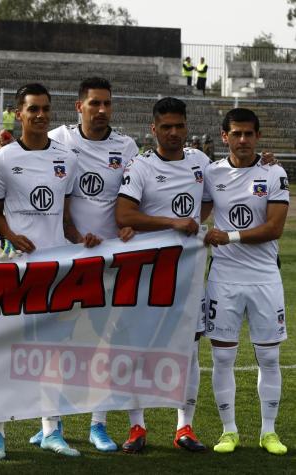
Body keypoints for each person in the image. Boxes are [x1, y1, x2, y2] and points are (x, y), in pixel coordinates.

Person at [0, 77, 138, 455]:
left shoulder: (115, 149)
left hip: (93, 261)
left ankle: (81, 426)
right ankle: (5, 431)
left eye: (107, 103)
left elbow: (77, 212)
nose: (101, 110)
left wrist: (89, 236)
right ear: (79, 107)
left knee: (84, 345)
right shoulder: (22, 152)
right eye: (94, 104)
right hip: (31, 264)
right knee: (9, 349)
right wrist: (6, 236)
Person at [115, 97, 210, 453]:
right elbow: (124, 214)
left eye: (179, 126)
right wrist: (173, 223)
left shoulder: (201, 162)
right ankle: (136, 426)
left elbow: (218, 191)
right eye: (166, 127)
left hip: (187, 272)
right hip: (144, 272)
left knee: (189, 350)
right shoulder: (140, 166)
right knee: (136, 349)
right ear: (153, 130)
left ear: (187, 127)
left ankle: (185, 427)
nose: (173, 133)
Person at [202, 108, 289, 456]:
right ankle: (229, 431)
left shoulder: (273, 171)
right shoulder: (211, 173)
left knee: (269, 359)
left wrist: (230, 236)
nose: (242, 140)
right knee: (222, 359)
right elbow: (196, 212)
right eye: (235, 133)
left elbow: (274, 228)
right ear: (225, 136)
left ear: (257, 136)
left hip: (265, 279)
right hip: (223, 279)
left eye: (248, 134)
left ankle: (269, 432)